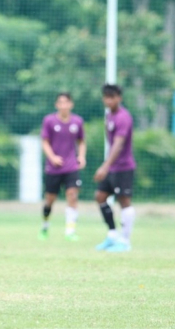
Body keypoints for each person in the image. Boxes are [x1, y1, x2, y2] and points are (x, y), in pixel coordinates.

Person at [94, 84, 136, 252]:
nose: (109, 100)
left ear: (119, 97)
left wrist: (105, 166)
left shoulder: (123, 117)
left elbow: (118, 144)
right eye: (106, 97)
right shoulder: (109, 116)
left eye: (112, 97)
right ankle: (112, 234)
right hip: (113, 167)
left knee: (124, 201)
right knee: (100, 196)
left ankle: (125, 241)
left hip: (123, 167)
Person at [39, 92, 86, 241]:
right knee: (49, 200)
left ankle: (70, 231)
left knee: (72, 196)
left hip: (71, 167)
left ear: (71, 104)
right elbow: (44, 141)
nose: (63, 105)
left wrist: (81, 156)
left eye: (66, 102)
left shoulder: (77, 122)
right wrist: (52, 157)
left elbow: (81, 141)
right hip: (53, 168)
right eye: (60, 102)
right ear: (56, 105)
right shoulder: (49, 121)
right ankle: (45, 225)